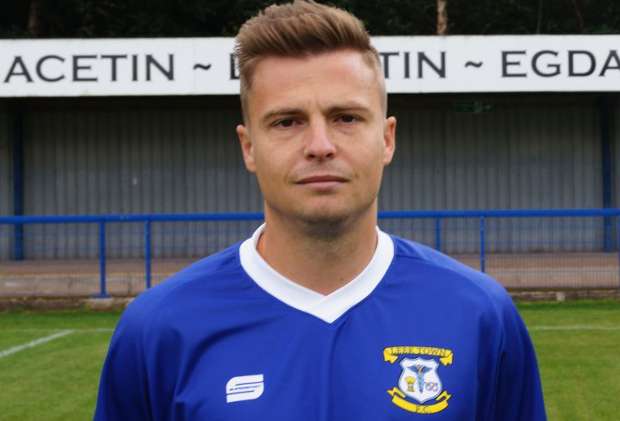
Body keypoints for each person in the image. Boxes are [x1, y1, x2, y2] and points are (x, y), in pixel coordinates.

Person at [94, 1, 546, 419]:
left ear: (386, 139)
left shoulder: (480, 315)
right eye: (287, 122)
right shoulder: (158, 330)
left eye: (346, 118)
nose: (320, 145)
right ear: (249, 147)